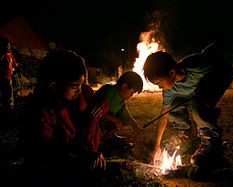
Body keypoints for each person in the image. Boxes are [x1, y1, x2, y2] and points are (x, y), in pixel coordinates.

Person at [143, 43, 233, 176]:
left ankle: (211, 142)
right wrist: (157, 145)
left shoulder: (195, 65)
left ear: (172, 73)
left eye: (159, 83)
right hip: (198, 90)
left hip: (220, 75)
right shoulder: (170, 91)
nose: (159, 88)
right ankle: (185, 136)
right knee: (173, 104)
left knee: (199, 100)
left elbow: (219, 62)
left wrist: (209, 81)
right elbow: (163, 116)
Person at [23, 49, 109, 186]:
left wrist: (100, 107)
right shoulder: (40, 108)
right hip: (59, 170)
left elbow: (99, 101)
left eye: (82, 84)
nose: (79, 89)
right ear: (54, 85)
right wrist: (82, 153)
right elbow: (45, 146)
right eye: (75, 86)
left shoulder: (82, 94)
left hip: (86, 159)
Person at [94, 70, 143, 153]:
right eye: (131, 93)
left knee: (123, 115)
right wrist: (115, 120)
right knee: (117, 120)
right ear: (124, 86)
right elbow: (97, 111)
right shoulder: (108, 91)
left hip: (107, 121)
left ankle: (109, 138)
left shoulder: (121, 99)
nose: (131, 96)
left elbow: (125, 113)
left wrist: (134, 125)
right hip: (95, 119)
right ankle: (97, 141)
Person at [0, 37, 18, 114]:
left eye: (9, 44)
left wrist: (14, 68)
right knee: (5, 92)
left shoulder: (11, 56)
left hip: (8, 77)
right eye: (7, 45)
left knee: (9, 92)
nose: (8, 46)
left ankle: (9, 107)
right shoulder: (2, 55)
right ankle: (5, 108)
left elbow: (14, 65)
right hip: (2, 77)